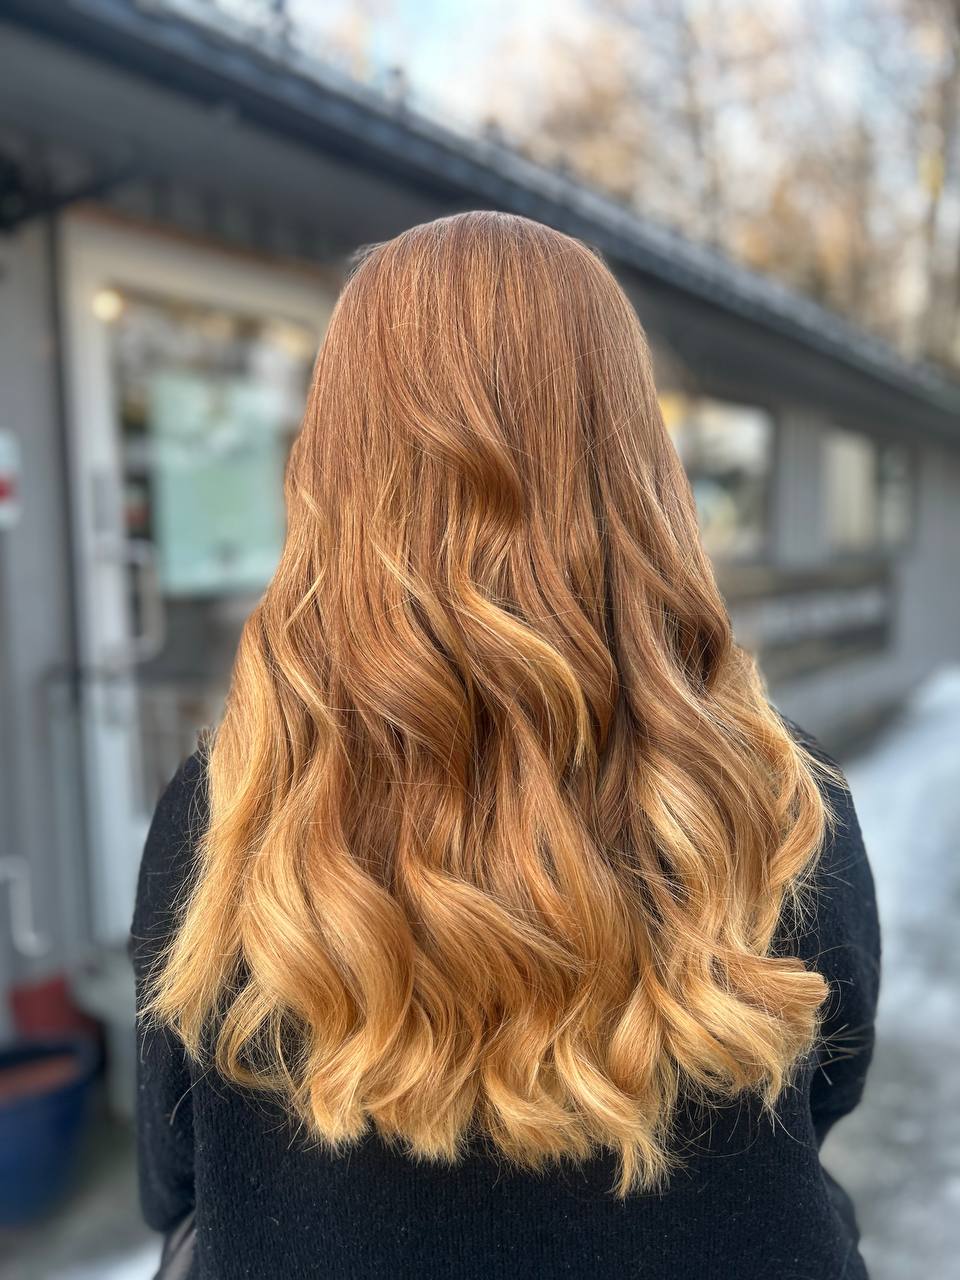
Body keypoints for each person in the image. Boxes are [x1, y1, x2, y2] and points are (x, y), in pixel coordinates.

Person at [131, 211, 880, 1280]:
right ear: (634, 461)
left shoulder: (226, 813)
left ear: (337, 467)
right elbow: (827, 1087)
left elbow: (176, 1174)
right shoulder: (774, 798)